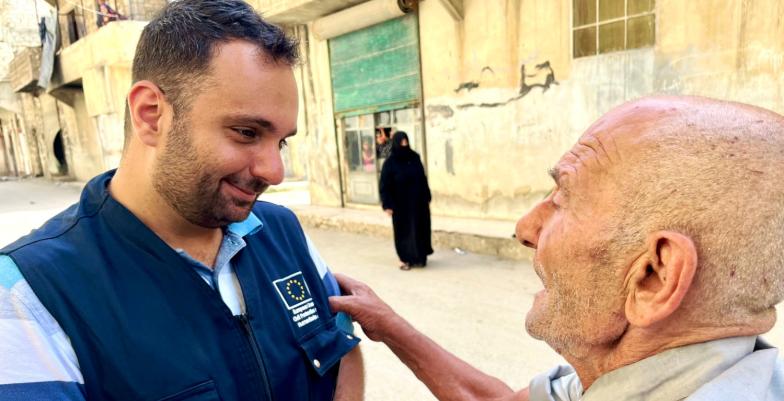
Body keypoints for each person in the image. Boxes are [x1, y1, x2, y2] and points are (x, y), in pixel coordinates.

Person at [0, 1, 363, 400]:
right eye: (245, 132)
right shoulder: (30, 296)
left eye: (281, 141)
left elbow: (343, 354)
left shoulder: (282, 232)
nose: (275, 171)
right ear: (151, 114)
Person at [331, 96, 784, 400]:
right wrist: (388, 325)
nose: (527, 228)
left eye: (563, 199)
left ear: (654, 277)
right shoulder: (663, 368)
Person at [379, 131, 433, 270]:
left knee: (420, 230)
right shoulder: (390, 163)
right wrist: (387, 204)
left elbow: (422, 178)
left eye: (406, 142)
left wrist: (427, 196)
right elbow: (384, 185)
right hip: (400, 205)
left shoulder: (415, 157)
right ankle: (405, 259)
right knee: (404, 233)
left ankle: (420, 257)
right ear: (397, 143)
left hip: (418, 203)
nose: (404, 145)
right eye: (401, 142)